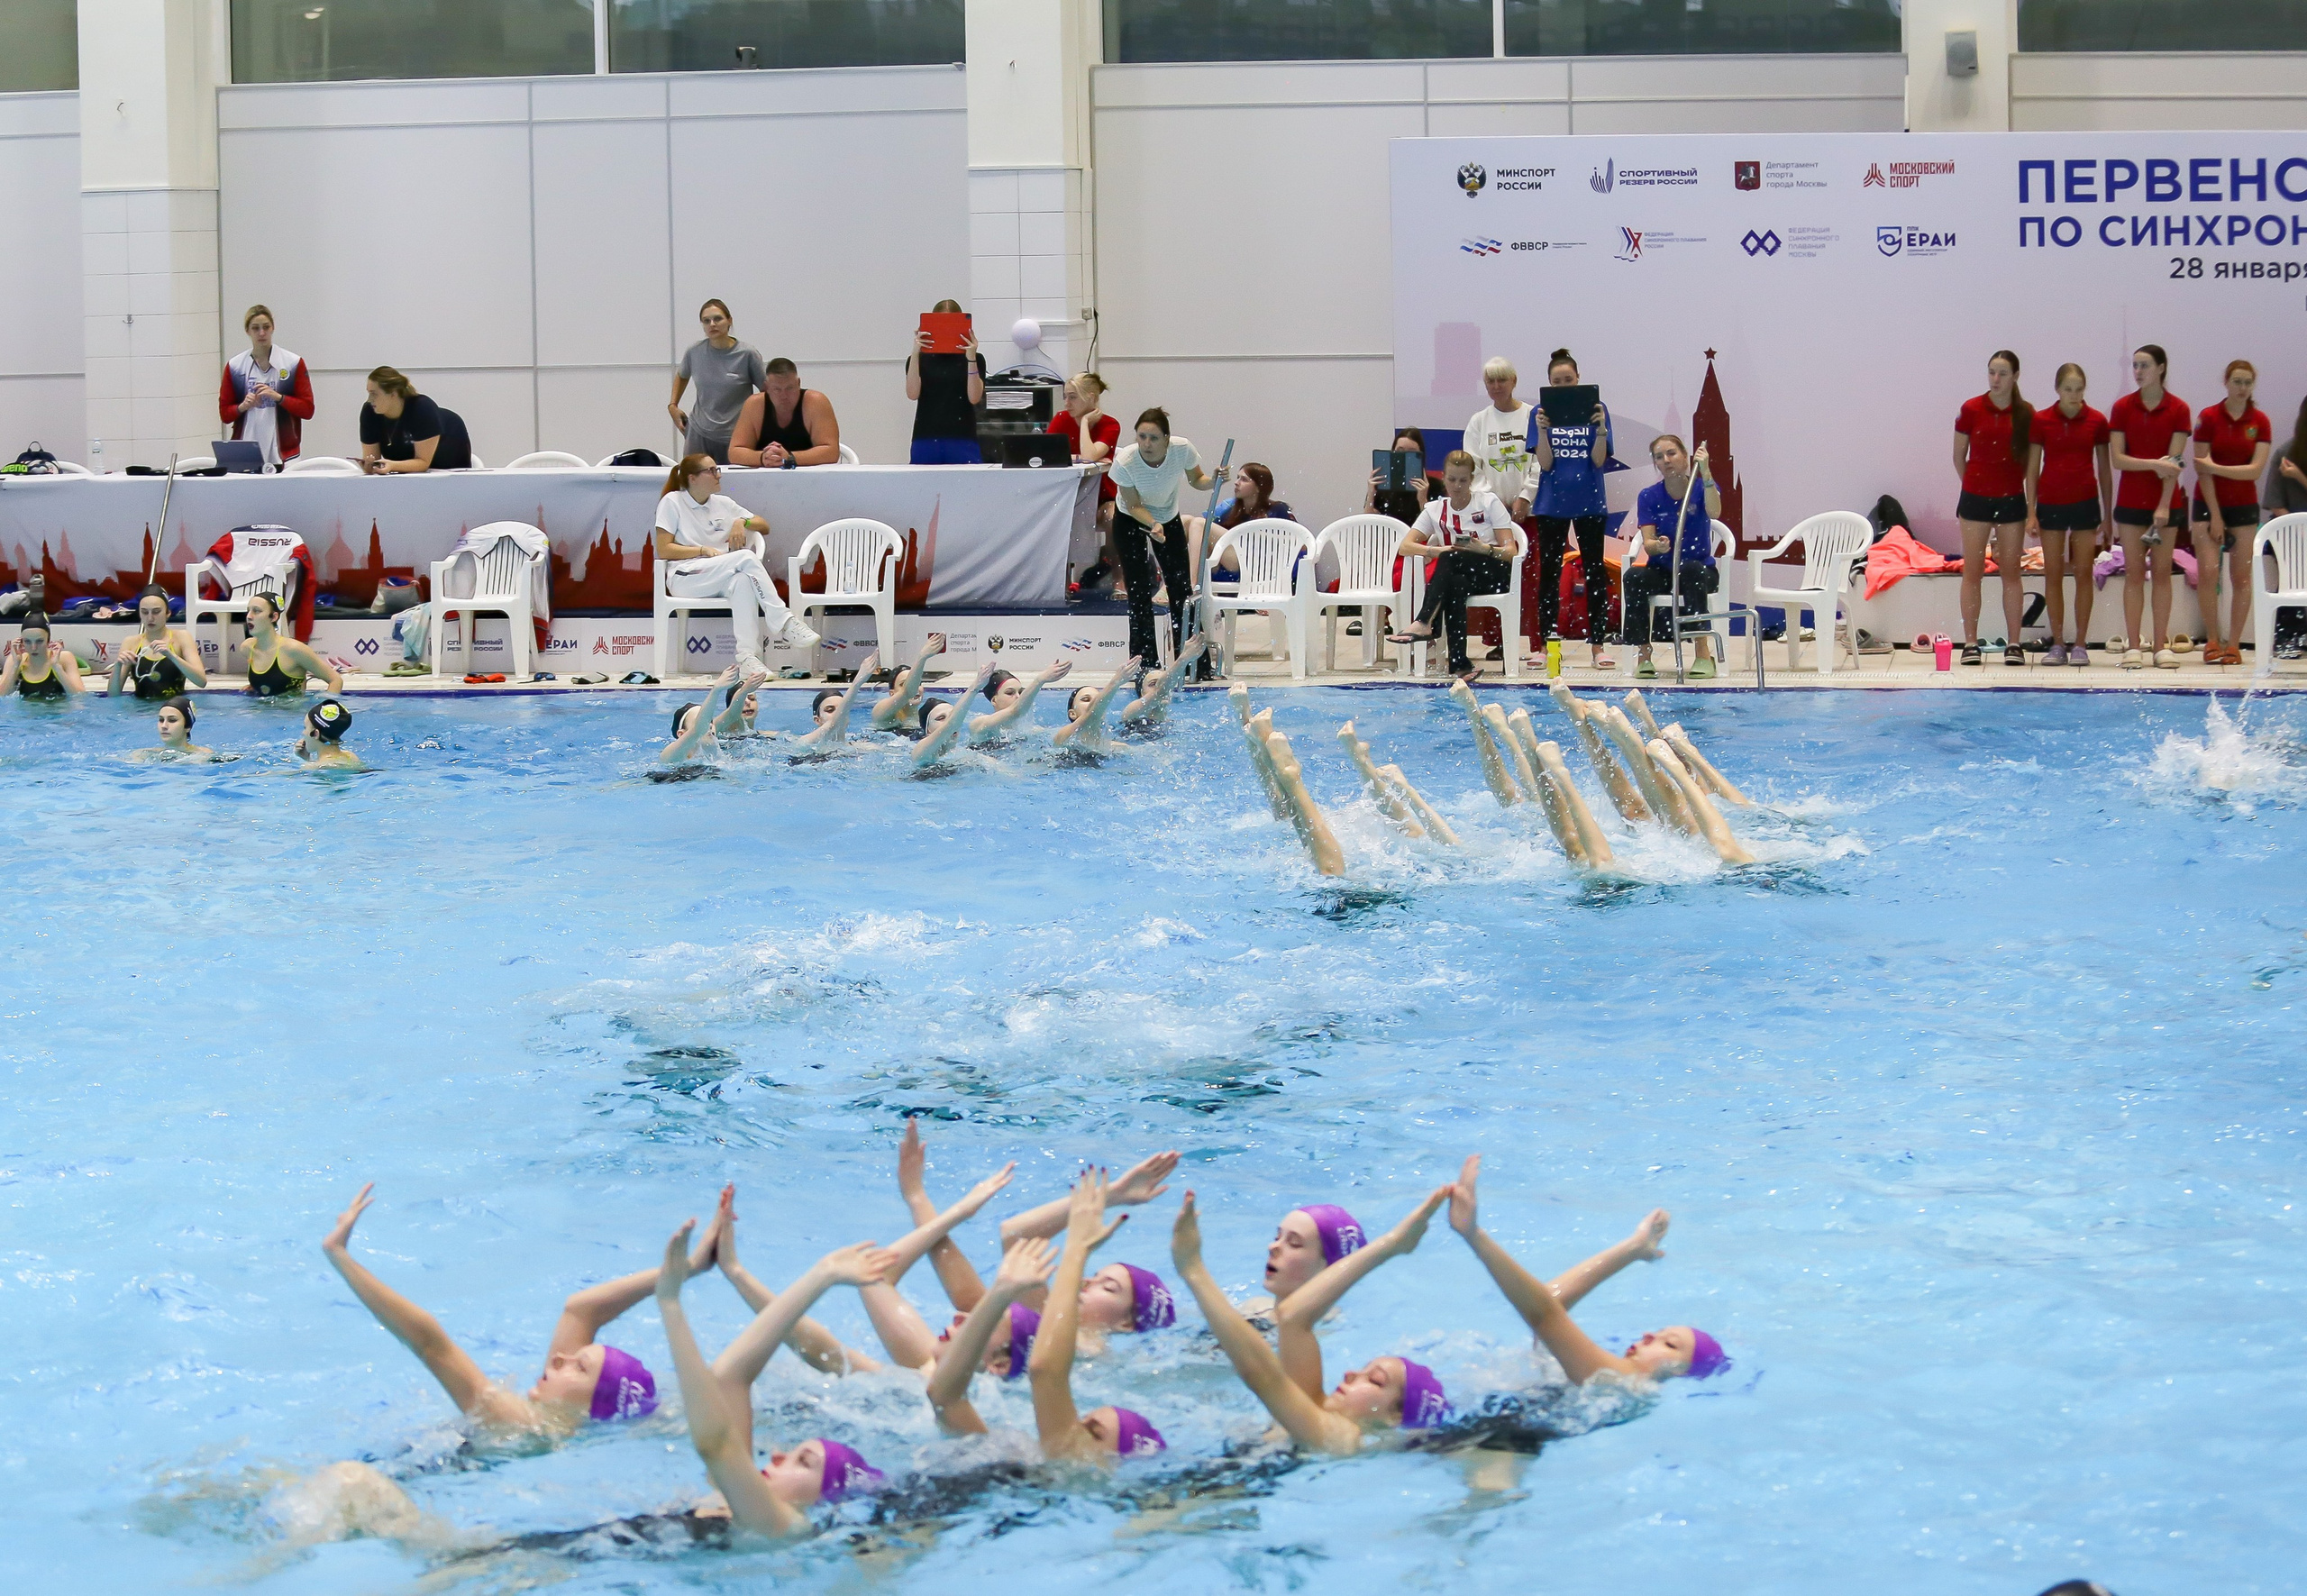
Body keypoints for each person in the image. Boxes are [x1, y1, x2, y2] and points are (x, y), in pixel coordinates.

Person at [321, 1181, 683, 1439]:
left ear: (594, 1406)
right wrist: (682, 1270)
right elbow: (582, 1310)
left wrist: (341, 1257)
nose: (560, 1359)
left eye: (579, 1366)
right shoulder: (559, 1421)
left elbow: (430, 1344)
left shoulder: (520, 1425)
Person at [652, 1222, 893, 1536]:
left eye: (802, 1462)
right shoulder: (735, 1498)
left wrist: (670, 1304)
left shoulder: (782, 1526)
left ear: (825, 1499)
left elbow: (717, 1445)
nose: (778, 1456)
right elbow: (729, 1377)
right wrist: (822, 1276)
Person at [1171, 1190, 1444, 1455]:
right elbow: (1292, 1321)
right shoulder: (1316, 1410)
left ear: (1396, 1417)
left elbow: (1263, 1372)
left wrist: (1193, 1268)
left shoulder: (1343, 1440)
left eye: (1374, 1380)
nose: (1349, 1373)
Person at [1445, 1154, 1724, 1386]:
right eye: (1661, 1333)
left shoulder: (1626, 1383)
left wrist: (1474, 1235)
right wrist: (1633, 1248)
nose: (1649, 1336)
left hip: (1494, 1449)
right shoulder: (1609, 1378)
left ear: (1680, 1374)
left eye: (1670, 1345)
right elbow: (1548, 1307)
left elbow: (1544, 1314)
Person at [1028, 1174, 1167, 1461]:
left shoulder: (1088, 1349)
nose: (1086, 1282)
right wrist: (1109, 1197)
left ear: (1126, 1323)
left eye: (1107, 1287)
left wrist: (1077, 1249)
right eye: (1094, 1275)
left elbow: (1046, 1371)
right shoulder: (1049, 1324)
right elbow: (1019, 1240)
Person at [652, 454, 818, 679]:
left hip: (719, 573)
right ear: (692, 478)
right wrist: (701, 550)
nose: (718, 474)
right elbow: (664, 549)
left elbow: (764, 525)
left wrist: (742, 522)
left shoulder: (723, 503)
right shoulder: (672, 502)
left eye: (717, 468)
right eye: (710, 471)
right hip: (685, 577)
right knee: (746, 559)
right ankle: (784, 621)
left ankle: (747, 658)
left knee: (742, 581)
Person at [1387, 450, 1518, 682]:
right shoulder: (1435, 510)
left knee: (1450, 559)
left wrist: (1483, 549)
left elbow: (1510, 552)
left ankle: (1425, 621)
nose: (1457, 486)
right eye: (1452, 480)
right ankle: (1460, 665)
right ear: (1444, 478)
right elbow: (1405, 546)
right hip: (1459, 574)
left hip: (1494, 572)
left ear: (1472, 480)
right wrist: (1435, 550)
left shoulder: (1488, 502)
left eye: (1463, 480)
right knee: (1454, 581)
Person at [1109, 409, 1218, 664]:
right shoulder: (1125, 462)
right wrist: (1153, 525)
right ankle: (1145, 663)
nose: (1146, 444)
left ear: (1167, 439)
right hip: (1130, 519)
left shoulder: (1182, 449)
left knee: (1180, 588)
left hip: (1168, 518)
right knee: (1138, 591)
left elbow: (1197, 480)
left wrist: (1214, 480)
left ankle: (1192, 661)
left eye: (1154, 438)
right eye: (1141, 437)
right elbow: (1134, 505)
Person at [1527, 349, 1615, 670]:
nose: (1563, 386)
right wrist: (1542, 431)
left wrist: (1602, 429)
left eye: (1569, 380)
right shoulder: (1539, 412)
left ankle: (1598, 645)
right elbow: (1546, 463)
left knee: (1594, 572)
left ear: (1578, 379)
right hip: (1552, 504)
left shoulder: (1596, 409)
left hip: (1590, 501)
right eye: (1556, 382)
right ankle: (1548, 646)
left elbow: (1598, 460)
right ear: (1549, 384)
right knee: (1549, 575)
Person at [2109, 344, 2192, 669]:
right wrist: (2152, 464)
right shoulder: (2121, 408)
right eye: (2135, 366)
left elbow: (2173, 465)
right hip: (2130, 502)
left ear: (2161, 368)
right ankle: (2133, 645)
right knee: (2132, 574)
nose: (2138, 371)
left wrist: (2162, 505)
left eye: (2144, 365)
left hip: (2164, 505)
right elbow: (2118, 459)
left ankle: (2160, 645)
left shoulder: (2179, 409)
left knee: (2160, 574)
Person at [2027, 363, 2112, 667]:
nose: (2074, 395)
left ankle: (2080, 644)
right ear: (2058, 390)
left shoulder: (2097, 421)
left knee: (2083, 574)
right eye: (2068, 389)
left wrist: (2108, 515)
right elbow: (2032, 468)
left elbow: (2104, 470)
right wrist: (2030, 511)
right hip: (2050, 505)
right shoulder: (2042, 420)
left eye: (2079, 390)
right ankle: (2059, 643)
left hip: (2086, 504)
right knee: (2053, 574)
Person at [1952, 350, 2034, 667]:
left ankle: (2014, 643)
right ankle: (1970, 643)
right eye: (1991, 373)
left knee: (2011, 574)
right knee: (1972, 572)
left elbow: (2029, 463)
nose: (1996, 379)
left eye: (2002, 373)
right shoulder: (1971, 409)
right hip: (1975, 499)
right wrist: (1973, 484)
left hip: (2011, 499)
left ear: (2015, 376)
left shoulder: (2026, 413)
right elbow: (1959, 456)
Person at [2191, 360, 2272, 666]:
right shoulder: (2209, 417)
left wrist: (2216, 466)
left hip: (2244, 507)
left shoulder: (2260, 421)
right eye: (2237, 382)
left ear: (2252, 385)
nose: (2241, 388)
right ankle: (2213, 638)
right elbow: (2202, 471)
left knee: (2241, 578)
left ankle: (2234, 644)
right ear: (2226, 382)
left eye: (2247, 383)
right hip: (2208, 505)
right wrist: (2215, 515)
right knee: (2209, 572)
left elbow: (2254, 471)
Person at [1621, 436, 1722, 679]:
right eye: (1659, 457)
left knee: (1691, 570)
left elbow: (1715, 511)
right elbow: (1648, 543)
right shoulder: (1649, 496)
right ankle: (1644, 654)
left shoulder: (1701, 488)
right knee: (1634, 576)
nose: (1666, 461)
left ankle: (1702, 653)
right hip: (1664, 572)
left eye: (1671, 453)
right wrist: (1658, 546)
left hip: (1699, 571)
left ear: (1686, 457)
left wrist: (1706, 471)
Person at [669, 299, 767, 464]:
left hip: (735, 438)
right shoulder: (695, 352)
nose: (712, 324)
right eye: (706, 321)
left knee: (734, 487)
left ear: (729, 321)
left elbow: (767, 392)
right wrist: (673, 405)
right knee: (694, 485)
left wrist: (754, 425)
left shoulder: (747, 354)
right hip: (698, 434)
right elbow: (682, 375)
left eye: (718, 319)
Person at [218, 306, 315, 469]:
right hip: (246, 452)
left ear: (273, 328)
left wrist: (279, 397)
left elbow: (308, 410)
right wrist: (242, 407)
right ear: (247, 331)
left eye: (266, 327)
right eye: (255, 328)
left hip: (284, 454)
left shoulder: (293, 363)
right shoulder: (235, 366)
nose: (262, 333)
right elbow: (225, 414)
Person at [1053, 373, 1122, 589]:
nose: (1066, 403)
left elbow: (1089, 455)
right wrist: (1078, 457)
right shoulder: (1060, 419)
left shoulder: (1110, 425)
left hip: (1103, 498)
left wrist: (1084, 424)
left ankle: (1120, 579)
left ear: (1091, 398)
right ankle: (1062, 582)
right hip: (1069, 498)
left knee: (1114, 517)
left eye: (1072, 397)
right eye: (1065, 397)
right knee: (1055, 518)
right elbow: (1048, 455)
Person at [904, 299, 987, 464]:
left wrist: (970, 357)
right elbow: (912, 393)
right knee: (924, 488)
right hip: (926, 437)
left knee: (967, 487)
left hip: (963, 437)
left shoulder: (975, 359)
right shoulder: (919, 360)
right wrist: (916, 352)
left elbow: (974, 397)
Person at [726, 358, 842, 468]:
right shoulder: (755, 405)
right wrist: (763, 457)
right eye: (777, 389)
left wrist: (790, 457)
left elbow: (831, 452)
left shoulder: (816, 402)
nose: (784, 396)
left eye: (789, 388)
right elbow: (735, 452)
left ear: (799, 383)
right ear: (767, 388)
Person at [1194, 462, 1295, 582]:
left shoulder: (1277, 509)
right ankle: (1171, 586)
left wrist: (1259, 536)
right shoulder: (1231, 511)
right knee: (1187, 521)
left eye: (1244, 480)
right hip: (1228, 565)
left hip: (1257, 566)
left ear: (1259, 487)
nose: (1236, 483)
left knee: (1199, 524)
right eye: (1237, 478)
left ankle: (1192, 582)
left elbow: (1298, 543)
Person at [359, 368, 472, 473]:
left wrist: (393, 466)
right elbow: (373, 458)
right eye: (369, 394)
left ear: (393, 393)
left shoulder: (422, 408)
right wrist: (370, 466)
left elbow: (423, 463)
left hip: (447, 454)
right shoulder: (369, 412)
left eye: (374, 394)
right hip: (407, 467)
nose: (370, 400)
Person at [1464, 356, 1536, 523]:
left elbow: (1540, 463)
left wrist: (1525, 498)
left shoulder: (1532, 415)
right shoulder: (1478, 421)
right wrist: (1494, 502)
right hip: (1491, 515)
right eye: (1491, 381)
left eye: (1502, 380)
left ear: (1514, 381)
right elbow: (1472, 467)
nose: (1496, 386)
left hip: (1532, 512)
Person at [2262, 395, 2307, 660]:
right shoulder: (2285, 453)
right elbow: (2275, 504)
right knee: (2293, 571)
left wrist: (2299, 477)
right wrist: (2297, 529)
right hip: (2289, 535)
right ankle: (2289, 636)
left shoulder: (2292, 465)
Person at [107, 585, 207, 699]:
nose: (150, 618)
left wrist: (172, 656)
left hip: (173, 710)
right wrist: (118, 665)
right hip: (140, 711)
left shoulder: (181, 637)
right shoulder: (131, 642)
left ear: (168, 613)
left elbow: (201, 682)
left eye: (156, 612)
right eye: (144, 612)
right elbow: (113, 694)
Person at [240, 591, 342, 697]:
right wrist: (257, 686)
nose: (249, 616)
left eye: (256, 611)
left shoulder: (294, 650)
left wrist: (327, 708)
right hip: (260, 711)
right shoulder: (247, 648)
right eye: (248, 611)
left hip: (293, 712)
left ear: (274, 617)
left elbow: (335, 680)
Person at [662, 665, 769, 765]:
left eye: (710, 721)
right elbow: (698, 730)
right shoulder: (671, 756)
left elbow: (733, 715)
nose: (708, 725)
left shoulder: (718, 760)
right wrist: (716, 690)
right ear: (681, 734)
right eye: (699, 720)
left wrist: (744, 691)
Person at [966, 657, 1072, 744]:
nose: (1018, 697)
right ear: (994, 700)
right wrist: (1040, 680)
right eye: (1010, 693)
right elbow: (1015, 712)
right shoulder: (980, 724)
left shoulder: (1028, 731)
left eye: (1020, 692)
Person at [1051, 656, 1145, 752]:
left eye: (1096, 698)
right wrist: (1115, 682)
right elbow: (1091, 713)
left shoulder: (1115, 747)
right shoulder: (1065, 735)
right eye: (1086, 699)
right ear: (1072, 714)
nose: (1093, 702)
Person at [790, 653, 879, 752]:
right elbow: (834, 724)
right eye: (830, 710)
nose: (838, 713)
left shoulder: (862, 748)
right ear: (817, 720)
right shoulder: (806, 742)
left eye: (841, 709)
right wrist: (858, 681)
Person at [867, 633, 947, 731]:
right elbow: (908, 692)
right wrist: (922, 658)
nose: (915, 688)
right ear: (892, 693)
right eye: (903, 684)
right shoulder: (882, 713)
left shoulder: (926, 716)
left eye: (918, 683)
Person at [3, 613, 87, 698]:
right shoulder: (15, 660)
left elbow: (79, 696)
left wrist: (57, 667)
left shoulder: (64, 658)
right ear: (21, 641)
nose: (33, 647)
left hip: (58, 711)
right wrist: (16, 666)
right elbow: (2, 697)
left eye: (39, 641)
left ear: (48, 640)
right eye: (27, 641)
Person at [296, 698, 360, 769]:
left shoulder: (314, 767)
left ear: (316, 734)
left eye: (305, 728)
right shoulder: (351, 757)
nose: (303, 733)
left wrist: (306, 760)